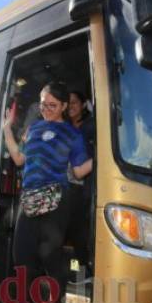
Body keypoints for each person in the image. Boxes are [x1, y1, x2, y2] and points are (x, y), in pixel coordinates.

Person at [3, 82, 92, 303]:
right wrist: (8, 128)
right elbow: (19, 159)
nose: (46, 109)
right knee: (22, 258)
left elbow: (77, 171)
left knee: (50, 256)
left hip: (57, 198)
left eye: (52, 105)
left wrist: (100, 156)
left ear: (65, 106)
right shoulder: (34, 128)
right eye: (43, 104)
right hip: (29, 198)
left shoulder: (71, 134)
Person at [66, 91, 95, 272]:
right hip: (67, 185)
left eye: (74, 102)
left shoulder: (92, 125)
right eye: (67, 103)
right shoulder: (64, 126)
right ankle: (73, 269)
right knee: (68, 233)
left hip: (85, 186)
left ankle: (82, 270)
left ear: (84, 104)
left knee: (81, 233)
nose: (70, 106)